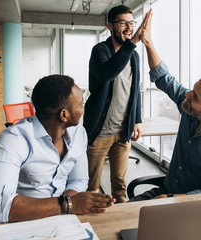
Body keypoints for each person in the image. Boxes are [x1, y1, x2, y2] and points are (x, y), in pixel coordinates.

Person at [129, 10, 201, 201]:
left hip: (193, 206)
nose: (187, 94)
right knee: (122, 217)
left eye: (195, 96)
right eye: (192, 89)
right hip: (165, 193)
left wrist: (175, 199)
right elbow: (163, 78)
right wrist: (148, 41)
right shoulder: (191, 106)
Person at [0, 75, 115, 223]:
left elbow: (79, 179)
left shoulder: (79, 133)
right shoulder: (15, 139)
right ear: (64, 115)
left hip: (65, 218)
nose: (83, 109)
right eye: (80, 105)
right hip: (23, 221)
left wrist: (69, 204)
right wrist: (68, 204)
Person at [83, 5, 147, 203]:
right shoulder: (100, 51)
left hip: (123, 132)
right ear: (110, 26)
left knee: (120, 187)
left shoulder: (134, 55)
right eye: (123, 23)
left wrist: (136, 120)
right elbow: (105, 74)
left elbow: (135, 89)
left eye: (131, 22)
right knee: (91, 186)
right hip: (99, 131)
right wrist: (132, 43)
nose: (129, 27)